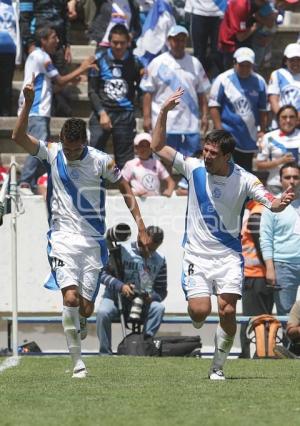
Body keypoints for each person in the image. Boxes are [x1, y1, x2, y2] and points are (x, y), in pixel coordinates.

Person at [150, 88, 295, 380]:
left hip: (228, 255)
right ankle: (197, 308)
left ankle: (217, 366)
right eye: (205, 150)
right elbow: (157, 146)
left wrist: (280, 203)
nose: (206, 156)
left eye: (213, 154)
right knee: (200, 313)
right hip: (197, 255)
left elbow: (271, 201)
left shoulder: (245, 179)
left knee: (228, 312)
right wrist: (163, 112)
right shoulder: (193, 168)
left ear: (227, 156)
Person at [12, 75, 150, 378]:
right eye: (67, 148)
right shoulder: (53, 152)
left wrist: (140, 225)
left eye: (75, 150)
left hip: (92, 243)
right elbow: (18, 137)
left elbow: (125, 187)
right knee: (70, 299)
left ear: (84, 143)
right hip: (61, 238)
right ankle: (77, 363)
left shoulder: (102, 162)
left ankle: (80, 319)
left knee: (85, 308)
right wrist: (29, 103)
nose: (70, 154)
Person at [18, 26, 96, 195]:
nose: (58, 41)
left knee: (40, 147)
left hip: (37, 109)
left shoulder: (37, 57)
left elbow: (53, 88)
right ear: (43, 40)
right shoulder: (42, 56)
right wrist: (84, 67)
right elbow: (59, 80)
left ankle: (30, 183)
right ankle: (24, 182)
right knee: (37, 146)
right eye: (54, 37)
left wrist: (73, 78)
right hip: (36, 110)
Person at [141, 24, 210, 158]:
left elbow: (201, 93)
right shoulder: (157, 62)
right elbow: (147, 92)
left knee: (191, 163)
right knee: (164, 161)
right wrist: (147, 117)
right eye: (175, 39)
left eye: (182, 40)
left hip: (190, 124)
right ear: (169, 41)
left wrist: (205, 116)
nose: (179, 43)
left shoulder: (195, 63)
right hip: (165, 124)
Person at [97, 225, 167, 355]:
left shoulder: (160, 260)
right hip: (115, 297)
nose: (148, 251)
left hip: (142, 302)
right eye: (146, 246)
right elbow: (102, 274)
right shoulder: (121, 250)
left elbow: (162, 291)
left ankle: (143, 347)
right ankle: (105, 354)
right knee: (103, 312)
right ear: (140, 237)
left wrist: (151, 296)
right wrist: (121, 286)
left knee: (158, 308)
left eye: (152, 249)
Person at [88, 24, 144, 169]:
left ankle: (125, 191)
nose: (118, 46)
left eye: (122, 43)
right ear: (109, 42)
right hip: (102, 112)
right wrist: (101, 113)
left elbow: (142, 88)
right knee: (94, 157)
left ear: (128, 43)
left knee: (125, 162)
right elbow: (92, 91)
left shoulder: (136, 62)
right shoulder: (99, 60)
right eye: (115, 42)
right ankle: (93, 190)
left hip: (125, 115)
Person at [209, 46, 268, 172]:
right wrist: (220, 130)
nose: (245, 69)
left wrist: (262, 130)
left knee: (245, 172)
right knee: (226, 171)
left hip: (249, 137)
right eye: (242, 65)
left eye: (248, 65)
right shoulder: (223, 79)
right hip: (228, 136)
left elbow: (263, 109)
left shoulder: (260, 81)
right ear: (234, 63)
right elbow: (214, 106)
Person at [260, 162, 300, 317]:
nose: (292, 181)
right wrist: (270, 268)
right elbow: (266, 237)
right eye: (287, 177)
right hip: (283, 266)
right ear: (281, 180)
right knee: (286, 313)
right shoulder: (273, 205)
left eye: (296, 177)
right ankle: (288, 342)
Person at [239, 198, 274, 358]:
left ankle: (256, 353)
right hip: (253, 274)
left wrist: (268, 269)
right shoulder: (254, 211)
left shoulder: (257, 212)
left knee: (255, 319)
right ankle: (253, 353)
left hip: (257, 275)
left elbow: (260, 243)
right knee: (253, 318)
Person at [256, 104, 300, 194]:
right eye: (284, 117)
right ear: (278, 119)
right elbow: (259, 165)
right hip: (275, 186)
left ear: (297, 120)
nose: (288, 120)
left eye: (292, 117)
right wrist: (280, 161)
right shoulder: (268, 137)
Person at [218, 0, 270, 70]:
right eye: (262, 1)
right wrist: (254, 28)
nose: (265, 4)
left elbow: (270, 23)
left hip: (245, 41)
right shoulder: (240, 6)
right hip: (231, 46)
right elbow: (240, 37)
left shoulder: (254, 6)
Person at [121, 132, 175, 197]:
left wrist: (169, 191)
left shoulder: (157, 163)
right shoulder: (130, 164)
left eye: (147, 146)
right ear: (136, 148)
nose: (144, 149)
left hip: (155, 201)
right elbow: (122, 183)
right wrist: (131, 194)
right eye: (141, 146)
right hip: (137, 201)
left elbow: (171, 182)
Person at [184, 0, 227, 78]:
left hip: (220, 12)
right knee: (199, 54)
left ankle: (223, 82)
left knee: (218, 53)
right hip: (198, 11)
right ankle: (199, 82)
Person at [268, 43, 300, 124]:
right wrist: (284, 118)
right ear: (285, 61)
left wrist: (296, 120)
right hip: (280, 123)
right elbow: (273, 100)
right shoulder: (277, 74)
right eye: (292, 60)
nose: (296, 63)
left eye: (298, 59)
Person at [0, 0, 18, 116]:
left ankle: (5, 113)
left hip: (10, 50)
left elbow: (18, 29)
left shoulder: (15, 4)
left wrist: (19, 56)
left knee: (6, 85)